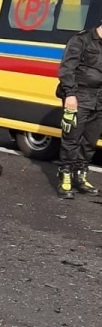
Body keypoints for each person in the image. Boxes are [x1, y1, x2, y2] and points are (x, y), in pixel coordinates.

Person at [56, 17, 102, 198]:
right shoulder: (81, 40)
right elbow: (67, 69)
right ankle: (65, 177)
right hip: (79, 96)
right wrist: (70, 94)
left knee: (90, 142)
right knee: (71, 139)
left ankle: (79, 175)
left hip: (99, 100)